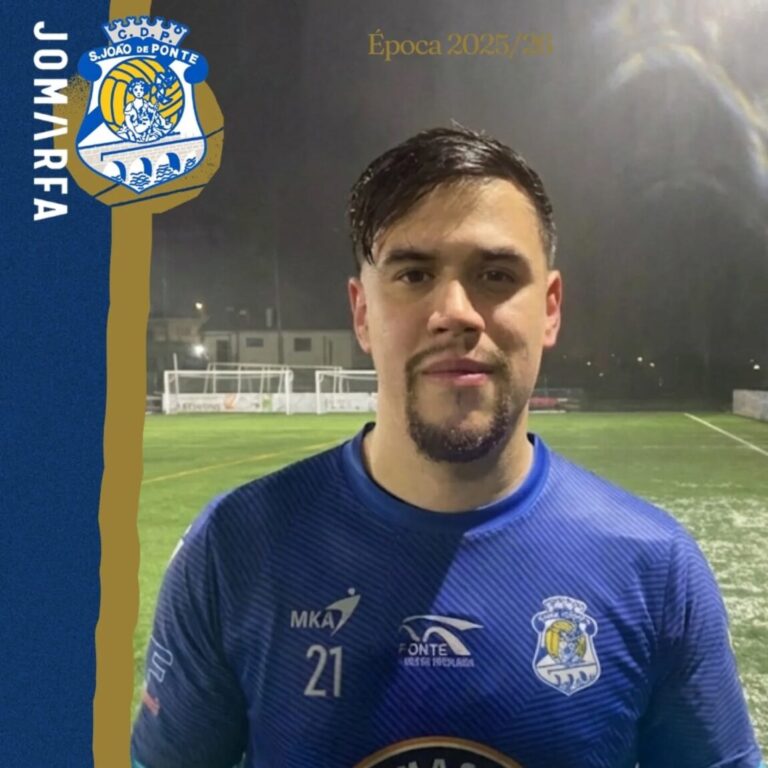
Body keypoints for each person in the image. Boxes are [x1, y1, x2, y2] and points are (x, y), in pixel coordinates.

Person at [131, 126, 764, 768]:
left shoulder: (653, 568)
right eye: (413, 273)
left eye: (495, 274)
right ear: (361, 312)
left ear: (550, 308)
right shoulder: (235, 549)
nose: (455, 311)